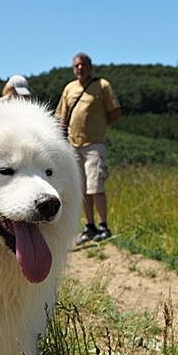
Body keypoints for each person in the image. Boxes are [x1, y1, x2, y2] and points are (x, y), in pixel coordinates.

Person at [56, 52, 121, 243]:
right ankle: (89, 226)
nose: (80, 68)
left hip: (94, 144)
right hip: (73, 145)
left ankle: (103, 226)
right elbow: (62, 116)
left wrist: (99, 126)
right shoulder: (69, 89)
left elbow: (115, 112)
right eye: (76, 65)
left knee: (96, 186)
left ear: (90, 67)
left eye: (83, 65)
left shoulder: (102, 86)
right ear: (72, 68)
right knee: (81, 188)